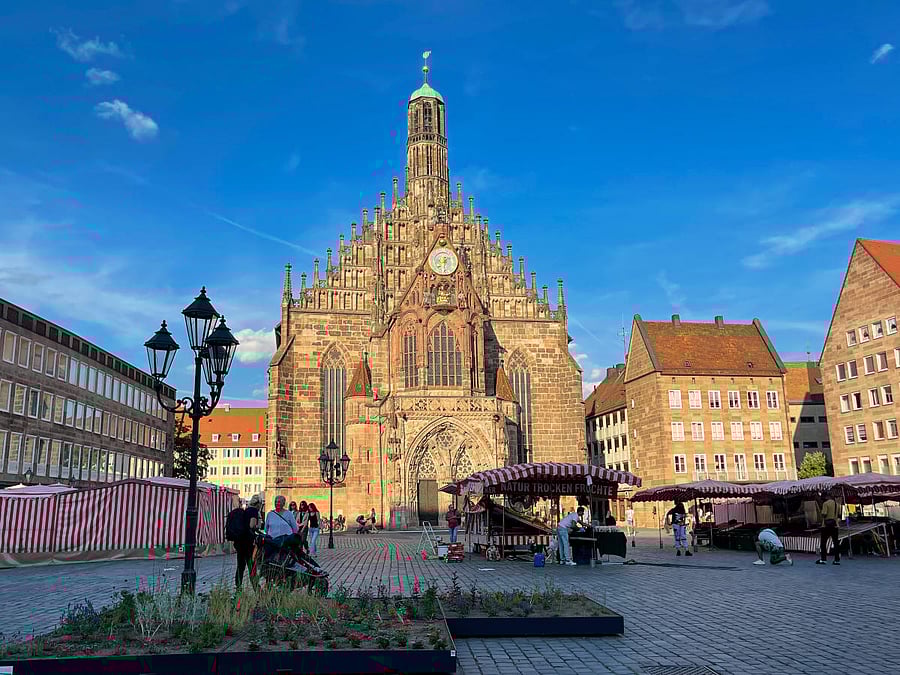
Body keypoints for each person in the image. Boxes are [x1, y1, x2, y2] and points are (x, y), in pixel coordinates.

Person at [264, 495, 305, 560]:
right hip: (273, 542)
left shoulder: (289, 514)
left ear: (283, 503)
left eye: (279, 502)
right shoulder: (270, 514)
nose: (277, 503)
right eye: (276, 502)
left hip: (285, 543)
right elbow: (266, 529)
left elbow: (295, 528)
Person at [233, 495, 261, 589]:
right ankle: (256, 587)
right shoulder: (254, 511)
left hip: (240, 542)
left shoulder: (246, 510)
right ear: (258, 504)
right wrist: (257, 527)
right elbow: (252, 525)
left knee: (240, 566)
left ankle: (238, 586)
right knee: (251, 565)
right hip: (248, 543)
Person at [818, 496, 841, 565]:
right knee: (836, 543)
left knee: (823, 543)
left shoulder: (825, 504)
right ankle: (837, 560)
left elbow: (824, 514)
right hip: (835, 525)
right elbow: (839, 515)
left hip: (826, 526)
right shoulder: (837, 505)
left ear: (827, 497)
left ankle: (823, 559)